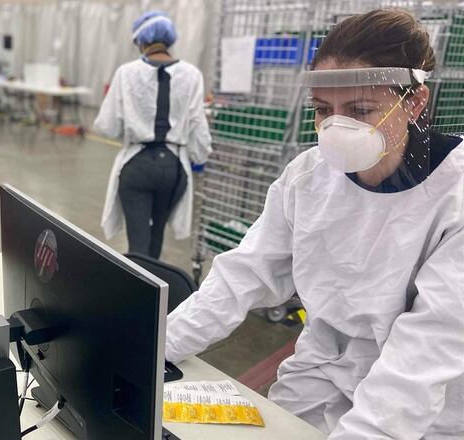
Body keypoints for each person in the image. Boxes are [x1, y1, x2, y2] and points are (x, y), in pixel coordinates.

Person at [165, 9, 464, 439]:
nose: (336, 128)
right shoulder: (309, 176)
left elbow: (428, 350)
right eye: (323, 110)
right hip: (318, 379)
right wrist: (159, 345)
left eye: (360, 110)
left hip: (422, 410)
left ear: (415, 102)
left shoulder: (454, 194)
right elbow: (244, 274)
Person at [95, 11, 212, 259]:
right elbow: (198, 130)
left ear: (141, 41)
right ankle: (156, 292)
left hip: (137, 164)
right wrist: (197, 155)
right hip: (173, 168)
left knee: (138, 244)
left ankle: (138, 293)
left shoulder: (126, 73)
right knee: (156, 237)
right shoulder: (192, 75)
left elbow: (107, 125)